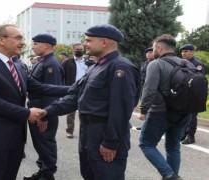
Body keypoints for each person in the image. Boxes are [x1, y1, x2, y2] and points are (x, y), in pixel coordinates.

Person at [39, 24, 141, 180]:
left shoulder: (119, 67)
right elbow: (74, 97)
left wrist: (110, 142)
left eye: (88, 40)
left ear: (104, 42)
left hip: (104, 133)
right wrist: (47, 112)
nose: (85, 44)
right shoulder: (95, 67)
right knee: (89, 174)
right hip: (88, 132)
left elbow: (121, 109)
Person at [0, 24, 69, 180]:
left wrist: (77, 88)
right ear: (1, 39)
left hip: (15, 138)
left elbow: (40, 87)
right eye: (18, 38)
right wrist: (27, 113)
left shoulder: (17, 65)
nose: (23, 43)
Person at [137, 34, 194, 180]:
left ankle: (169, 175)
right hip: (184, 112)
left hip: (160, 112)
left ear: (159, 47)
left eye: (154, 47)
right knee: (173, 147)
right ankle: (171, 177)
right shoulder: (188, 64)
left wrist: (143, 111)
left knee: (146, 144)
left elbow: (149, 90)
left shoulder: (155, 64)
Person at [24, 34, 64, 180]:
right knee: (39, 144)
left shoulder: (51, 64)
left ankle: (48, 174)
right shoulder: (41, 62)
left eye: (36, 44)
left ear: (46, 45)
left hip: (43, 112)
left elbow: (52, 93)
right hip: (36, 110)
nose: (33, 46)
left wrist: (45, 115)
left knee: (46, 143)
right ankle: (42, 170)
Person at [179, 43, 207, 144]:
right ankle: (183, 133)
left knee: (192, 115)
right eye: (182, 51)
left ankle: (191, 136)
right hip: (182, 93)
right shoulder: (180, 63)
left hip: (193, 94)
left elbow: (200, 80)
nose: (183, 53)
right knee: (182, 114)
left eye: (185, 51)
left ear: (192, 52)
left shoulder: (197, 65)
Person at [61, 43, 87, 138]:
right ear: (72, 50)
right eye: (77, 49)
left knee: (84, 112)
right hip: (72, 90)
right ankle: (70, 131)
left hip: (86, 90)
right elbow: (61, 76)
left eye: (81, 49)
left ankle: (84, 132)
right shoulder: (67, 62)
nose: (79, 50)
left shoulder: (88, 62)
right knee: (71, 112)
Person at [136, 47, 155, 130]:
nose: (148, 54)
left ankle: (150, 126)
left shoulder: (156, 64)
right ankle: (145, 124)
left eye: (151, 52)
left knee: (151, 108)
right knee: (145, 107)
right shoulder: (144, 64)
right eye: (147, 52)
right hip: (143, 87)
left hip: (150, 88)